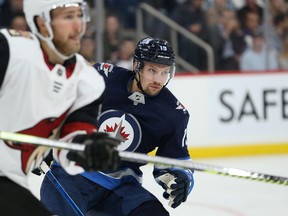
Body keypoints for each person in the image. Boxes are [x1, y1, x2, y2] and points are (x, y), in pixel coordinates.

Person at [40, 37, 195, 216]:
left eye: (164, 72)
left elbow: (176, 161)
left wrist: (181, 179)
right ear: (137, 65)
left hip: (121, 190)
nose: (158, 80)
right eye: (152, 70)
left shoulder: (173, 113)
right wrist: (43, 139)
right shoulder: (101, 77)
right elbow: (60, 104)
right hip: (72, 175)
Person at [0, 0, 120, 215]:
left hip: (12, 181)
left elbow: (70, 146)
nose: (78, 25)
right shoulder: (9, 50)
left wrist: (88, 149)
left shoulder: (88, 81)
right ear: (41, 23)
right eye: (67, 17)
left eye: (79, 15)